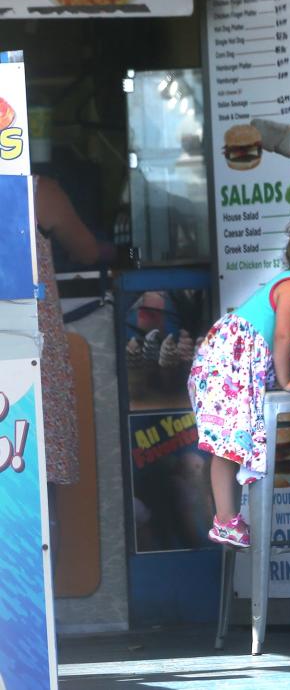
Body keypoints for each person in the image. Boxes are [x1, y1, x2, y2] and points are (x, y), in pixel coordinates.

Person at [188, 207, 290, 548]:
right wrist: (287, 381)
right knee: (227, 444)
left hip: (237, 364)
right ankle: (225, 519)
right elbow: (282, 338)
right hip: (226, 362)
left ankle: (227, 519)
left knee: (231, 445)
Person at [34, 175, 113, 560]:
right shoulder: (36, 192)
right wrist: (129, 255)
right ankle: (35, 598)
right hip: (30, 357)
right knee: (35, 477)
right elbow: (87, 251)